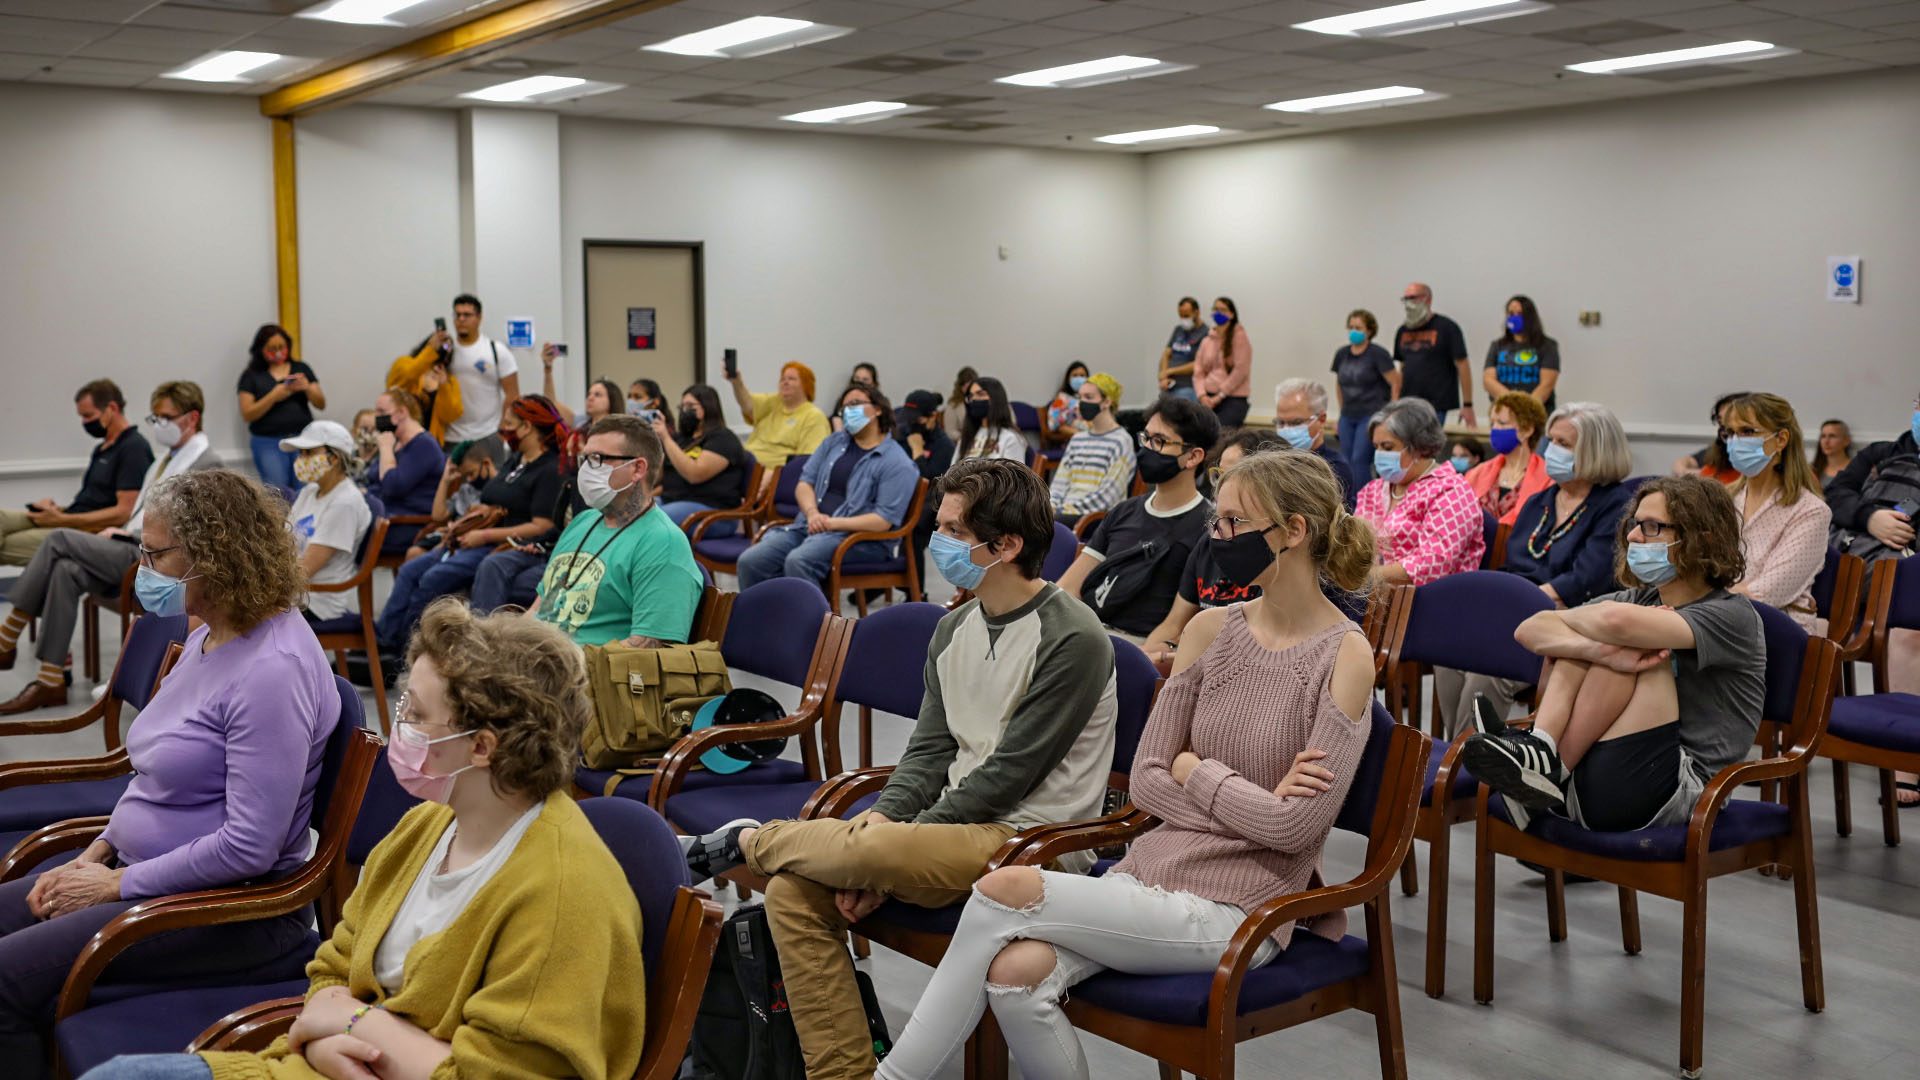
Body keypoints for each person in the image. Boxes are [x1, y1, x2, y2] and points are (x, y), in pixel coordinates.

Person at [874, 449, 1377, 1080]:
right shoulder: (1210, 629)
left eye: (1231, 524)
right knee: (1014, 974)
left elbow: (1293, 831)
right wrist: (1247, 798)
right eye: (1215, 523)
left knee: (1004, 887)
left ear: (1294, 532)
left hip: (1242, 909)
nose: (1216, 538)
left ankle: (890, 1078)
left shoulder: (1345, 656)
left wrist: (1199, 773)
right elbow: (1146, 778)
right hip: (1146, 876)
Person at [680, 457, 1118, 1080]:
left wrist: (886, 851)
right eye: (939, 526)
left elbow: (1009, 776)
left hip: (1030, 844)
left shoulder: (1073, 636)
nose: (938, 543)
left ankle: (747, 840)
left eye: (955, 532)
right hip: (954, 832)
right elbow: (929, 753)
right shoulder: (954, 628)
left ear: (1008, 545)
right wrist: (884, 826)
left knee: (856, 853)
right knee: (792, 892)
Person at [83, 602, 649, 1080]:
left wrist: (355, 1024)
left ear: (482, 747)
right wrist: (330, 1034)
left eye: (417, 715)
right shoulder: (428, 825)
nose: (398, 726)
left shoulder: (562, 896)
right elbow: (334, 963)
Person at [0, 470, 335, 1077]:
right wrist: (97, 853)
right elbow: (157, 780)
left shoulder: (272, 670)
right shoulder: (209, 628)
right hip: (143, 875)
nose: (143, 569)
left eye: (155, 554)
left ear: (212, 555)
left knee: (3, 982)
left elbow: (249, 848)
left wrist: (112, 887)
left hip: (232, 911)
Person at [1462, 476, 1765, 834]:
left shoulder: (1733, 615)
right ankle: (1542, 751)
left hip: (1676, 791)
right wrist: (1591, 647)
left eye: (1652, 527)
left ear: (1702, 539)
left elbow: (1615, 622)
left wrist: (1589, 634)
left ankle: (1546, 764)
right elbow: (1530, 628)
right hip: (1600, 774)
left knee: (1630, 640)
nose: (1634, 536)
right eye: (1634, 525)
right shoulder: (1644, 599)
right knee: (1600, 643)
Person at [0, 382, 218, 711]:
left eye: (165, 418)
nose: (158, 425)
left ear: (192, 418)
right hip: (130, 543)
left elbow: (188, 532)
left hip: (154, 557)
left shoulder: (205, 462)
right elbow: (142, 512)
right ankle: (50, 679)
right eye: (154, 418)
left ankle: (6, 636)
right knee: (66, 570)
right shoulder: (167, 458)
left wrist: (125, 533)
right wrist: (119, 530)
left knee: (58, 538)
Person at [1433, 402, 1635, 734]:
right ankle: (1453, 755)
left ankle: (1467, 766)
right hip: (1519, 612)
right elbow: (1515, 565)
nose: (1551, 450)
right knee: (1449, 652)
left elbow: (1584, 579)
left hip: (1572, 622)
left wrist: (1517, 606)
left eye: (1564, 444)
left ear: (1597, 451)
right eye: (1552, 441)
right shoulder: (1540, 500)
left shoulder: (1616, 507)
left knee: (1489, 670)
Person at [375, 397, 567, 657]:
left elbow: (541, 525)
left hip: (507, 544)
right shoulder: (516, 461)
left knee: (433, 577)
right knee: (411, 569)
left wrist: (484, 534)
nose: (504, 430)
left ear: (528, 427)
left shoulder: (550, 468)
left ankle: (409, 651)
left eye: (509, 424)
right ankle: (383, 643)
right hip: (478, 536)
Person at [1058, 394, 1218, 645]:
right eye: (1146, 438)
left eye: (1160, 441)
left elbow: (1178, 625)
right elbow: (1068, 587)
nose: (1147, 449)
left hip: (1141, 646)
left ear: (1193, 456)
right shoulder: (1123, 511)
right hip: (1089, 634)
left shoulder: (1208, 526)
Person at [533, 416, 703, 648]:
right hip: (539, 662)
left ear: (637, 468)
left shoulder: (662, 542)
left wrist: (559, 665)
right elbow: (538, 610)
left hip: (587, 675)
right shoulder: (582, 522)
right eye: (585, 459)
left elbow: (648, 648)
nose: (586, 470)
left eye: (598, 459)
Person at [1827, 391, 1920, 804]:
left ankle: (1906, 765)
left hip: (1907, 573)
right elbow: (1838, 493)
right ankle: (1790, 741)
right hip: (1858, 565)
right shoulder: (1882, 453)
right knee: (1805, 619)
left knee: (1907, 632)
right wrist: (1872, 518)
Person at [736, 385, 919, 591]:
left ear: (878, 409)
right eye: (844, 408)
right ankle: (762, 619)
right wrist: (813, 514)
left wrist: (831, 523)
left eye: (855, 404)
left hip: (862, 540)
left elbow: (883, 521)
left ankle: (811, 622)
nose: (849, 411)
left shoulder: (896, 462)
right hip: (811, 526)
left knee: (799, 560)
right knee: (751, 561)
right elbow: (805, 483)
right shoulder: (834, 442)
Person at [1143, 429, 1289, 669]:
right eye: (1219, 474)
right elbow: (1173, 626)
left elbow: (1257, 653)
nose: (1222, 486)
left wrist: (1174, 656)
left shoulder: (1278, 556)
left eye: (1233, 475)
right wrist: (1146, 658)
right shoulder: (1210, 541)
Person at [1711, 392, 1830, 633]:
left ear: (1781, 439)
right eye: (1730, 433)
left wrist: (1703, 599)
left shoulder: (1811, 511)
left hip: (1777, 630)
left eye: (1747, 432)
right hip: (1716, 619)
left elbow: (1768, 593)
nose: (1735, 442)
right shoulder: (1723, 499)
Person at [3, 380, 153, 568]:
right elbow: (92, 502)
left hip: (85, 531)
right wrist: (56, 510)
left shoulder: (133, 448)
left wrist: (63, 520)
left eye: (88, 415)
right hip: (70, 518)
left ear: (111, 408)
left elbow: (124, 513)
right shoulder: (102, 448)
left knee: (7, 545)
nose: (85, 422)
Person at [1356, 397, 1486, 586]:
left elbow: (1433, 563)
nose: (1379, 455)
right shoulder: (1375, 489)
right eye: (1376, 447)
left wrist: (1366, 577)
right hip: (1375, 597)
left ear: (1418, 447)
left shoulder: (1451, 492)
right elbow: (1354, 544)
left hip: (1434, 600)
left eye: (1388, 447)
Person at [280, 421, 374, 628]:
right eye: (301, 453)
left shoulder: (345, 503)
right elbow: (282, 546)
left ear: (335, 457)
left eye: (309, 453)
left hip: (317, 602)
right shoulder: (309, 492)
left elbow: (304, 570)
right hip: (296, 593)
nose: (301, 460)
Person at [236, 324, 324, 491]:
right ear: (260, 349)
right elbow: (247, 414)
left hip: (302, 440)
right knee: (278, 493)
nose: (277, 352)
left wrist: (307, 387)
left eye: (281, 347)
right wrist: (273, 396)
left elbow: (321, 403)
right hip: (268, 443)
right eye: (271, 348)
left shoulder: (301, 368)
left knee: (307, 489)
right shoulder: (251, 376)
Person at [657, 384, 755, 531]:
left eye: (690, 405)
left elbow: (694, 474)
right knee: (632, 513)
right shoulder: (681, 439)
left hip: (713, 512)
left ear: (708, 407)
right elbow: (657, 478)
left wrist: (666, 438)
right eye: (682, 406)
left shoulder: (723, 438)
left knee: (654, 521)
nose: (684, 411)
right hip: (673, 500)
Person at [364, 388, 446, 555]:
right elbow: (372, 477)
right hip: (384, 517)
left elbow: (393, 485)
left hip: (407, 524)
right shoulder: (396, 441)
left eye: (382, 411)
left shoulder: (424, 445)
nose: (377, 418)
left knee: (344, 534)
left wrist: (386, 449)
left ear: (402, 412)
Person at [1048, 373, 1136, 524]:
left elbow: (1108, 496)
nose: (1081, 403)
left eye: (1088, 397)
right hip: (1064, 514)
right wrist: (1050, 506)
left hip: (1096, 518)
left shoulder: (1121, 441)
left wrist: (1062, 511)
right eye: (1080, 397)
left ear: (1107, 401)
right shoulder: (1077, 439)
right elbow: (1059, 483)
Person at [439, 294, 522, 446]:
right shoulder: (445, 352)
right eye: (457, 315)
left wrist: (504, 425)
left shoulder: (496, 351)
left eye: (467, 315)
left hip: (487, 433)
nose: (461, 319)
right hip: (451, 436)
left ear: (479, 318)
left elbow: (513, 393)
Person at [898, 390, 958, 594]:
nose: (913, 425)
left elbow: (932, 482)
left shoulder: (944, 445)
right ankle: (889, 579)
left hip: (931, 505)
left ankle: (916, 592)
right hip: (903, 498)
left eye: (919, 420)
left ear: (933, 417)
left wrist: (917, 451)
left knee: (914, 531)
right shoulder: (903, 433)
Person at [1332, 307, 1401, 486]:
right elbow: (1339, 383)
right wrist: (1340, 414)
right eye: (1351, 327)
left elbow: (1395, 381)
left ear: (1369, 331)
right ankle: (1348, 500)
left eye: (1359, 328)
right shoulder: (1342, 354)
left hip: (1371, 414)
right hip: (1348, 414)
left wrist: (1392, 413)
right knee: (1346, 459)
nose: (1354, 331)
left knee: (1360, 459)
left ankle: (1363, 502)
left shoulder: (1377, 354)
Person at [1393, 282, 1474, 428]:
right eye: (1406, 299)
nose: (1408, 303)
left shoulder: (1447, 327)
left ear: (1427, 299)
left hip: (1436, 404)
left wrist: (1468, 404)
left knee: (1428, 447)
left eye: (1413, 298)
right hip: (1407, 404)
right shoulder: (1402, 331)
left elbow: (1463, 365)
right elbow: (1401, 369)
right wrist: (1394, 403)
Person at [1466, 392, 1553, 526]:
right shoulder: (1477, 473)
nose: (1495, 429)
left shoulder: (1548, 478)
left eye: (1502, 423)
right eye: (1492, 423)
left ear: (1527, 430)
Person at [1272, 377, 1356, 510]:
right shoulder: (1270, 461)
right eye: (1281, 423)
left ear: (1321, 420)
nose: (1286, 429)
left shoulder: (1335, 469)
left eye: (1295, 422)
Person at [730, 361, 829, 469]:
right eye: (782, 379)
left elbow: (807, 461)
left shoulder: (814, 416)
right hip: (745, 464)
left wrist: (774, 476)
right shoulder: (774, 402)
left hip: (773, 475)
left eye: (791, 379)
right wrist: (736, 382)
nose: (785, 382)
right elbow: (747, 405)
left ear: (806, 385)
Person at [1481, 294, 1560, 412]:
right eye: (1511, 313)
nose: (1514, 317)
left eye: (1519, 313)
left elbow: (1547, 385)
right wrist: (1513, 403)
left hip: (1536, 412)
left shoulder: (1547, 346)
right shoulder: (1498, 345)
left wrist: (1526, 408)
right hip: (1503, 412)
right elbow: (1488, 380)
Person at [386, 330, 463, 445]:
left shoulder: (449, 381)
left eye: (447, 347)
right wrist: (430, 351)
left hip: (429, 443)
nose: (442, 350)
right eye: (440, 344)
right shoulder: (404, 363)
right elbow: (406, 376)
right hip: (399, 439)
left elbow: (450, 416)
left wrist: (444, 386)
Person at [1193, 296, 1252, 428]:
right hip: (1207, 398)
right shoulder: (1207, 340)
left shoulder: (1239, 337)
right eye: (1216, 309)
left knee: (1221, 434)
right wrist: (1202, 395)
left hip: (1232, 398)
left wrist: (1219, 395)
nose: (1218, 313)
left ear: (1232, 314)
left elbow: (1240, 371)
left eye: (1223, 310)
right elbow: (1198, 371)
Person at [1670, 392, 1747, 483]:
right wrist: (1702, 475)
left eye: (1729, 417)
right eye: (1719, 420)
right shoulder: (1721, 449)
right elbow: (1682, 463)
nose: (1724, 425)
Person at [959, 376, 1026, 462]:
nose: (974, 399)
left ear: (995, 398)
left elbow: (1013, 474)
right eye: (971, 396)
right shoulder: (967, 435)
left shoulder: (1010, 438)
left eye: (980, 394)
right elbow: (953, 470)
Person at [1158, 296, 1209, 401]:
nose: (1183, 319)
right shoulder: (1178, 330)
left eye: (1186, 316)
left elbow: (1200, 364)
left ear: (1197, 313)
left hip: (1188, 387)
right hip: (1168, 385)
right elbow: (1167, 353)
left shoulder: (1206, 333)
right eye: (1181, 316)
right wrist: (1164, 376)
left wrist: (1170, 371)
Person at [1045, 362, 1090, 443]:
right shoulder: (1062, 399)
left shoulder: (1093, 398)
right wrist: (1079, 434)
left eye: (1082, 375)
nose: (1079, 379)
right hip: (1073, 439)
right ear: (1068, 379)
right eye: (1075, 375)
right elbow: (1057, 425)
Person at [1812, 419, 1853, 490]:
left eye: (1832, 436)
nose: (1826, 441)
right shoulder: (1812, 469)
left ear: (1846, 441)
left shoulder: (1856, 469)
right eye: (1823, 436)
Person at [942, 366, 979, 443]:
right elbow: (950, 431)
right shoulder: (954, 405)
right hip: (964, 442)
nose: (970, 391)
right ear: (960, 387)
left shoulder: (985, 400)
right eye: (967, 387)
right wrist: (966, 437)